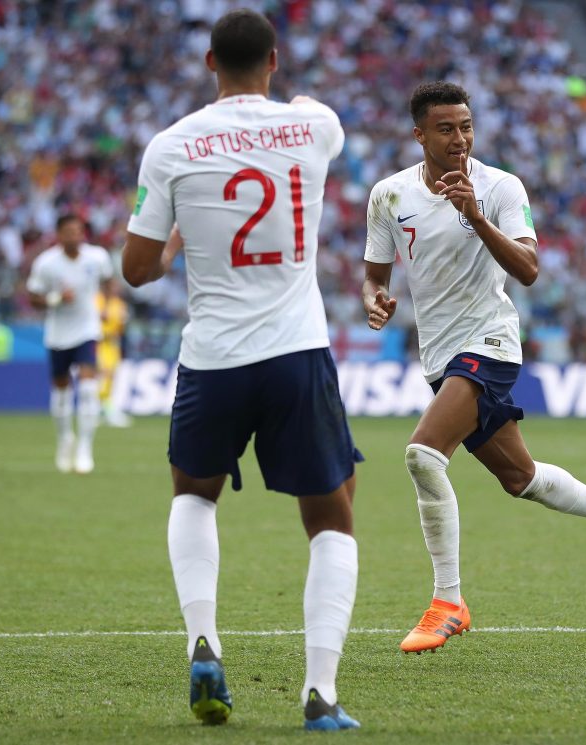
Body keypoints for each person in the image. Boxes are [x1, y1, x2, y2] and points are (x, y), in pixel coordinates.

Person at [122, 9, 361, 731]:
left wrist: (177, 240)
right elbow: (312, 120)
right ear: (276, 60)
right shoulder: (315, 125)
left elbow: (136, 269)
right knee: (331, 519)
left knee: (193, 495)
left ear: (206, 62)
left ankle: (204, 639)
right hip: (297, 351)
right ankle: (320, 693)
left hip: (214, 356)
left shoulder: (170, 146)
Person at [362, 82, 586, 655]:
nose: (460, 138)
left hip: (490, 342)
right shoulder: (389, 196)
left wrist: (475, 216)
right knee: (521, 480)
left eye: (466, 126)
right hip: (440, 355)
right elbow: (376, 274)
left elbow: (529, 269)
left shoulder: (498, 187)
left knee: (422, 456)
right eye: (445, 129)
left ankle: (449, 603)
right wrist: (375, 298)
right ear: (420, 135)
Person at [27, 214, 114, 474]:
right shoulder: (46, 263)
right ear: (59, 234)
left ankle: (85, 447)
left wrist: (107, 305)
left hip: (88, 329)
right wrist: (55, 299)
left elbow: (109, 282)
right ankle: (65, 439)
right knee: (62, 391)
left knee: (88, 388)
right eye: (68, 232)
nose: (74, 237)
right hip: (58, 333)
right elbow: (33, 298)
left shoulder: (97, 257)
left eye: (78, 232)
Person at [94, 278, 132, 427]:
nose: (116, 289)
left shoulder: (119, 305)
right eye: (113, 286)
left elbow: (120, 327)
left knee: (111, 376)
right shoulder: (95, 300)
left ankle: (104, 408)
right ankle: (100, 409)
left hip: (112, 345)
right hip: (98, 343)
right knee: (103, 374)